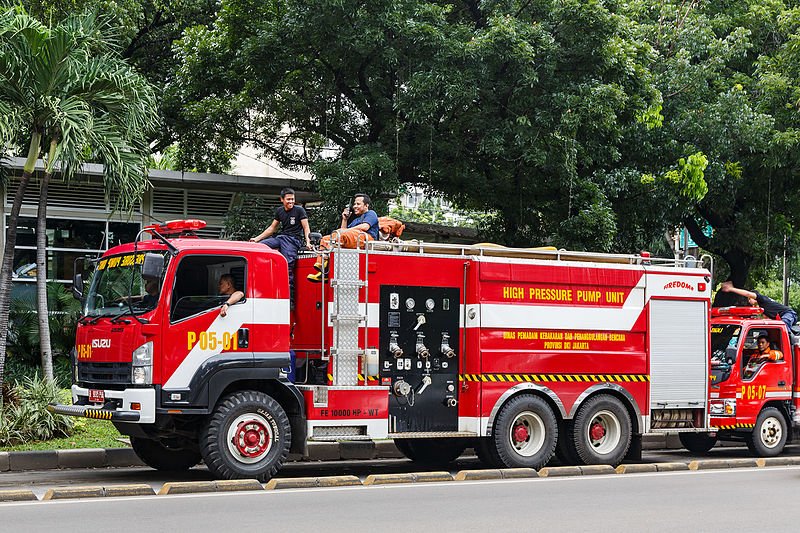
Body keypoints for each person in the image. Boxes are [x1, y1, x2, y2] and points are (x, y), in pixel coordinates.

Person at [250, 187, 311, 297]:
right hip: (281, 237)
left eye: (292, 199)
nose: (291, 201)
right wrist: (257, 239)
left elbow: (306, 228)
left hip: (293, 240)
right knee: (260, 247)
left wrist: (308, 242)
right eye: (288, 199)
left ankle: (289, 298)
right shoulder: (280, 211)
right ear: (282, 200)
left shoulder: (299, 210)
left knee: (287, 265)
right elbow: (272, 228)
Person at [307, 193, 379, 283]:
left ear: (366, 205)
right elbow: (343, 230)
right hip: (353, 237)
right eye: (354, 204)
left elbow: (365, 227)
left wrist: (344, 231)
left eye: (358, 204)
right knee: (325, 239)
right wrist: (344, 219)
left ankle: (324, 264)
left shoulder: (371, 213)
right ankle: (323, 270)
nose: (355, 206)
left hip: (366, 238)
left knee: (341, 235)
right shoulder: (355, 220)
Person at [720, 281, 798, 333]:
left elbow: (748, 294)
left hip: (789, 314)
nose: (749, 301)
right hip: (783, 316)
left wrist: (731, 289)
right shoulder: (763, 307)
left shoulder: (762, 299)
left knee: (784, 328)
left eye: (749, 299)